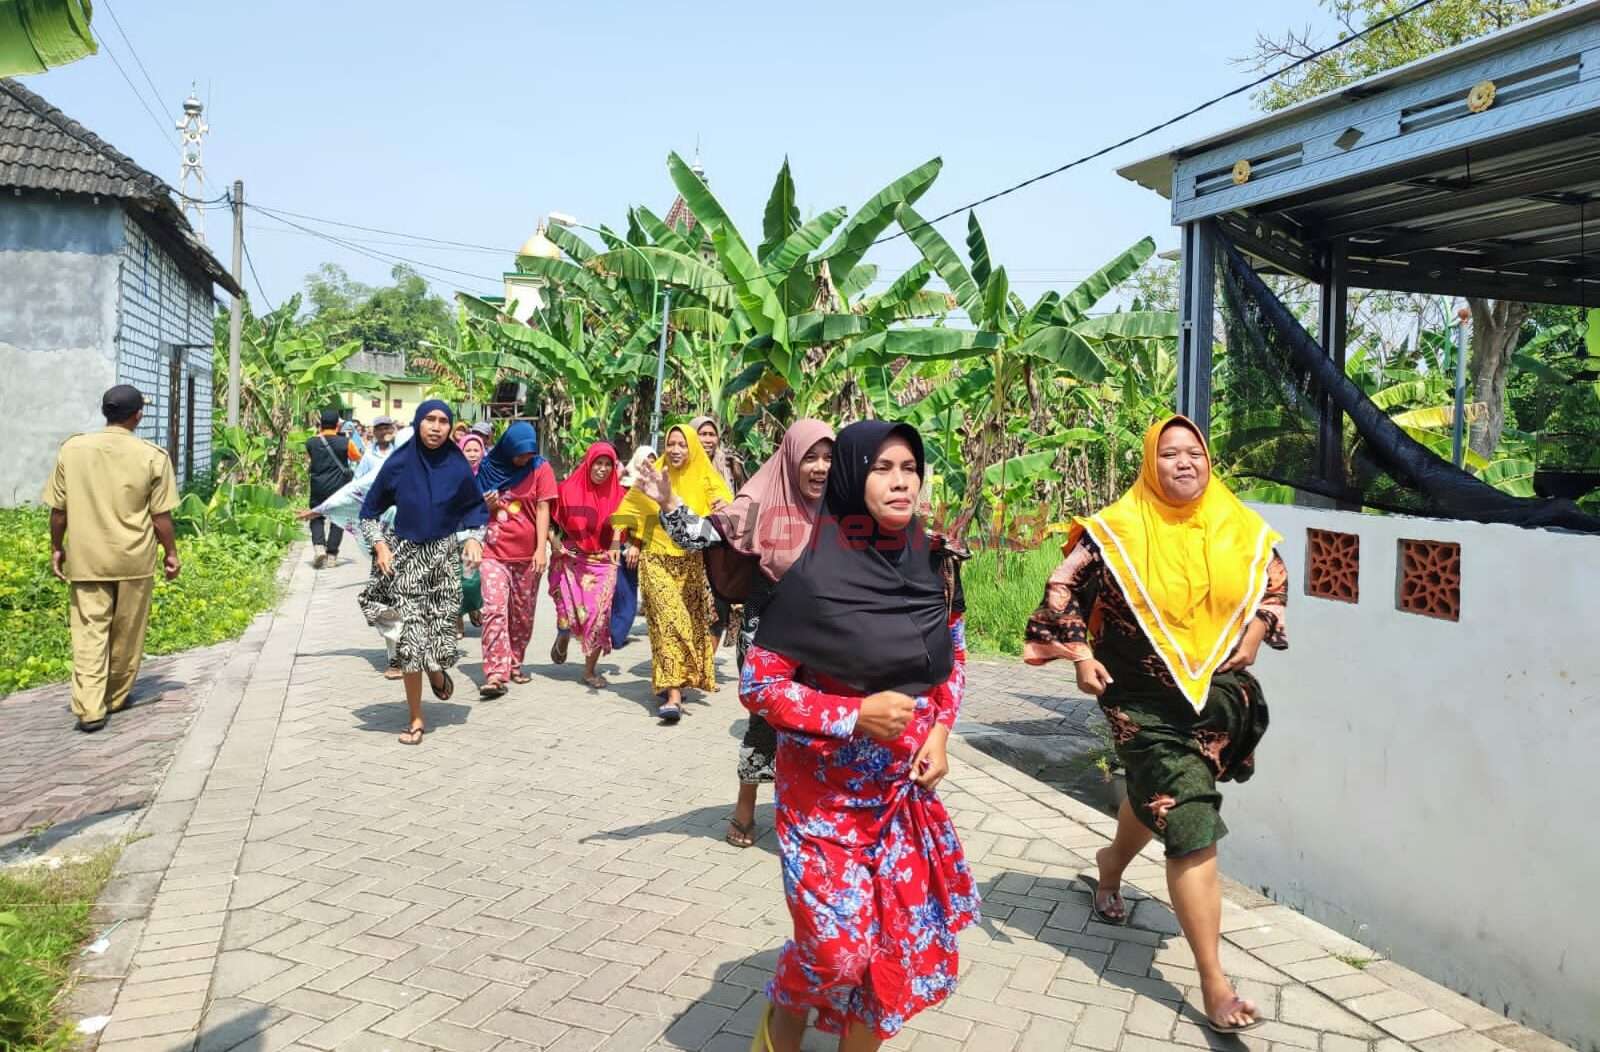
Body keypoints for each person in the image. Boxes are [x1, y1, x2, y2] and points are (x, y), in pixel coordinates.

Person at [1022, 415, 1287, 1034]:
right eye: (1169, 454)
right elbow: (1061, 587)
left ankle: (1108, 868)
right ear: (1150, 462)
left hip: (1212, 696)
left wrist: (1255, 632)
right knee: (1191, 816)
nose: (1184, 463)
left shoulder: (1239, 527)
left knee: (1157, 795)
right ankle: (1215, 984)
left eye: (1194, 452)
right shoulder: (1113, 531)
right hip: (1136, 697)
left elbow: (1271, 584)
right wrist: (1082, 656)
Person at [740, 421, 977, 1051]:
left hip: (903, 797)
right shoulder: (813, 578)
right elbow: (760, 687)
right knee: (838, 954)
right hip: (826, 804)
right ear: (851, 477)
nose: (902, 481)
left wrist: (941, 734)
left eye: (910, 467)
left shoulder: (937, 563)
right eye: (882, 468)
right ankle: (779, 1022)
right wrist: (853, 715)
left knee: (892, 952)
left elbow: (952, 654)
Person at [633, 419, 834, 848]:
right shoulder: (759, 500)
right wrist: (668, 500)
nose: (820, 467)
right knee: (765, 722)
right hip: (769, 634)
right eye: (810, 457)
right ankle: (746, 807)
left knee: (822, 729)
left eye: (828, 457)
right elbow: (700, 535)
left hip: (826, 640)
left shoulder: (844, 506)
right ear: (790, 460)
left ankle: (811, 813)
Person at [43, 385, 182, 733]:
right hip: (133, 560)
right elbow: (160, 516)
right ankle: (115, 697)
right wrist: (172, 553)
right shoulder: (152, 456)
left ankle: (90, 709)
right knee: (127, 633)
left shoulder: (72, 450)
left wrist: (57, 546)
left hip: (87, 559)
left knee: (89, 632)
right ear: (138, 415)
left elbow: (59, 511)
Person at [358, 400, 487, 745]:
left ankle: (435, 666)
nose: (436, 426)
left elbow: (475, 508)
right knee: (410, 641)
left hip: (443, 561)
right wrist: (380, 545)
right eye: (429, 419)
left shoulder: (457, 468)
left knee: (441, 639)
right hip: (406, 560)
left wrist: (474, 538)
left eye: (443, 421)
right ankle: (416, 717)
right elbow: (368, 513)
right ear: (418, 422)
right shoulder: (398, 464)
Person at [610, 425, 732, 723]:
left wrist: (722, 507)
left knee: (687, 625)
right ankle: (673, 696)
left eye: (682, 444)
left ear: (692, 448)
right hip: (656, 560)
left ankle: (675, 681)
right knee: (668, 622)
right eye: (671, 443)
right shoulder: (655, 473)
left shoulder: (705, 475)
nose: (676, 449)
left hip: (690, 563)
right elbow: (629, 508)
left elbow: (727, 506)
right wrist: (618, 542)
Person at [475, 422, 556, 698]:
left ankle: (515, 662)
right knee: (494, 610)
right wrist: (488, 504)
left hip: (528, 556)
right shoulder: (487, 468)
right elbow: (473, 507)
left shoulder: (540, 467)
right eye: (520, 453)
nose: (524, 459)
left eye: (529, 453)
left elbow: (544, 506)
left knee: (522, 614)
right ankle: (496, 672)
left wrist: (541, 548)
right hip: (493, 552)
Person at [548, 442, 627, 689]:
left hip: (604, 560)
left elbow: (624, 523)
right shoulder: (566, 489)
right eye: (598, 463)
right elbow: (551, 523)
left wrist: (616, 543)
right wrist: (555, 542)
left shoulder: (621, 495)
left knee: (599, 615)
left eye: (608, 464)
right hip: (572, 556)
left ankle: (589, 670)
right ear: (589, 462)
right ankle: (563, 633)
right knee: (567, 611)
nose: (602, 469)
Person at [306, 408, 362, 568]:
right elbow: (357, 457)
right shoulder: (346, 443)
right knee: (338, 519)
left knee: (316, 516)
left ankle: (318, 547)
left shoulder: (311, 442)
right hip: (339, 487)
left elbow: (311, 459)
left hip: (317, 485)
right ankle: (331, 555)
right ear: (338, 425)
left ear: (320, 424)